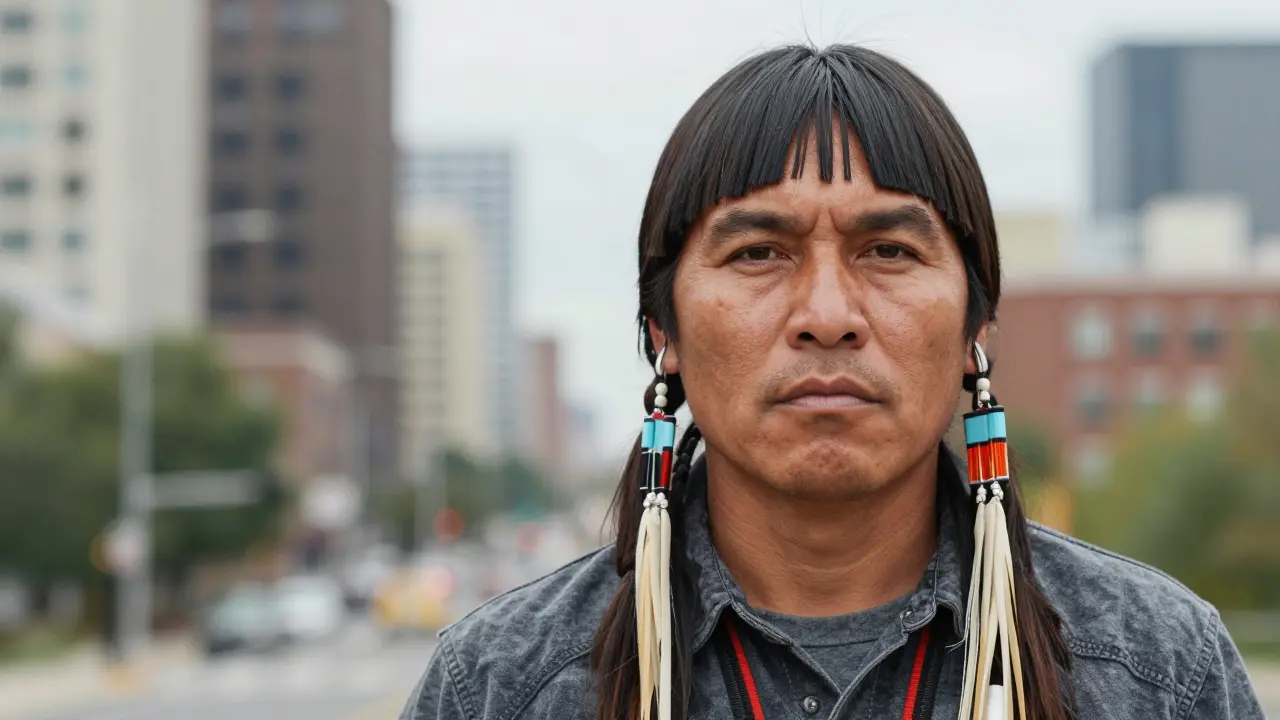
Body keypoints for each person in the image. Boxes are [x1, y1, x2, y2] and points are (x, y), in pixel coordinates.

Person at [400, 44, 1264, 720]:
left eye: (888, 250)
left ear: (976, 328)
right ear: (663, 331)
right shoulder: (502, 684)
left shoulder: (1158, 667)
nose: (826, 312)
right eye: (758, 252)